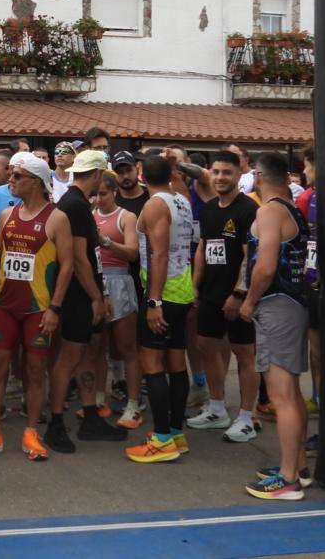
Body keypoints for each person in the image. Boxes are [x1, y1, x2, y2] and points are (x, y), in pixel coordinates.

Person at [0, 153, 73, 461]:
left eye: (17, 176)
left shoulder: (57, 218)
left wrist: (55, 309)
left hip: (38, 309)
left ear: (36, 182)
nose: (10, 180)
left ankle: (31, 431)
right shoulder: (6, 215)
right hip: (5, 305)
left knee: (34, 369)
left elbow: (67, 266)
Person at [241, 152, 312, 500]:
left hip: (276, 306)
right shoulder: (293, 207)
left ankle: (287, 479)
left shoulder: (269, 211)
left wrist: (250, 301)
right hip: (292, 305)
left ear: (257, 175)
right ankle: (297, 465)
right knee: (292, 393)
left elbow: (266, 266)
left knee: (282, 395)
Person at [125, 155, 197, 465]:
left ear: (140, 173)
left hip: (163, 291)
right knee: (176, 361)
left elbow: (160, 254)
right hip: (181, 289)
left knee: (152, 362)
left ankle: (163, 438)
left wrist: (153, 302)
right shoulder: (181, 198)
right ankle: (176, 433)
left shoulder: (155, 205)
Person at [52, 150, 126, 446]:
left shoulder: (76, 203)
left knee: (85, 355)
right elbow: (79, 259)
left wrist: (100, 293)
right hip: (76, 295)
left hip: (85, 292)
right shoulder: (76, 206)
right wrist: (96, 297)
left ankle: (91, 414)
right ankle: (56, 423)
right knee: (69, 358)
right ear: (96, 174)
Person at [189, 150, 262, 442]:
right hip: (210, 293)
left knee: (244, 354)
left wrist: (239, 294)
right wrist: (195, 285)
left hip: (237, 296)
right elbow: (203, 249)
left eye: (226, 173)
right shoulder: (208, 209)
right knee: (206, 346)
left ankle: (246, 417)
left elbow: (251, 256)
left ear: (238, 175)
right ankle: (217, 408)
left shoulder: (248, 210)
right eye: (216, 172)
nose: (220, 177)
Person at [92, 173, 144, 429]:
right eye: (96, 194)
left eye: (103, 193)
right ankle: (99, 398)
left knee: (127, 347)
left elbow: (133, 253)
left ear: (113, 192)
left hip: (120, 280)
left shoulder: (127, 216)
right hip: (97, 282)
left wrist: (107, 242)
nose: (99, 199)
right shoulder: (90, 216)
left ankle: (134, 404)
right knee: (97, 346)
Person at [296, 146, 321, 423]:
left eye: (307, 166)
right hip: (312, 284)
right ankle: (317, 397)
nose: (303, 172)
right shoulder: (311, 197)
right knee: (316, 351)